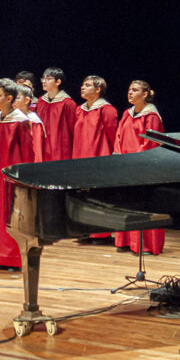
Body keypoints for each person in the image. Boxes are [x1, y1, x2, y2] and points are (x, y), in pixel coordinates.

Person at [0, 78, 34, 272]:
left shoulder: (20, 121)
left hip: (13, 175)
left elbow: (28, 153)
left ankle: (13, 259)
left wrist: (25, 178)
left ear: (9, 98)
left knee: (12, 215)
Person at [113, 80, 166, 255]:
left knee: (144, 204)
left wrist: (135, 159)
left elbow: (150, 141)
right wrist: (119, 156)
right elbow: (119, 136)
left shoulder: (151, 116)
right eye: (129, 90)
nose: (130, 93)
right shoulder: (127, 114)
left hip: (144, 167)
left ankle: (146, 245)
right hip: (125, 165)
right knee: (127, 203)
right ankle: (126, 241)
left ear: (145, 94)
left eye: (135, 90)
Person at [71, 75, 119, 245]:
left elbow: (113, 135)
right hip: (80, 158)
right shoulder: (79, 109)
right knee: (80, 197)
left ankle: (100, 234)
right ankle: (84, 230)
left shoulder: (106, 110)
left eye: (88, 85)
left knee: (98, 197)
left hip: (98, 158)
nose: (83, 87)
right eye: (83, 85)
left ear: (98, 89)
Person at [36, 67, 77, 162]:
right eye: (43, 78)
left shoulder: (67, 103)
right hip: (43, 145)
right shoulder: (41, 101)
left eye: (48, 79)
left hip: (61, 148)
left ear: (58, 82)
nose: (44, 81)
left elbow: (73, 129)